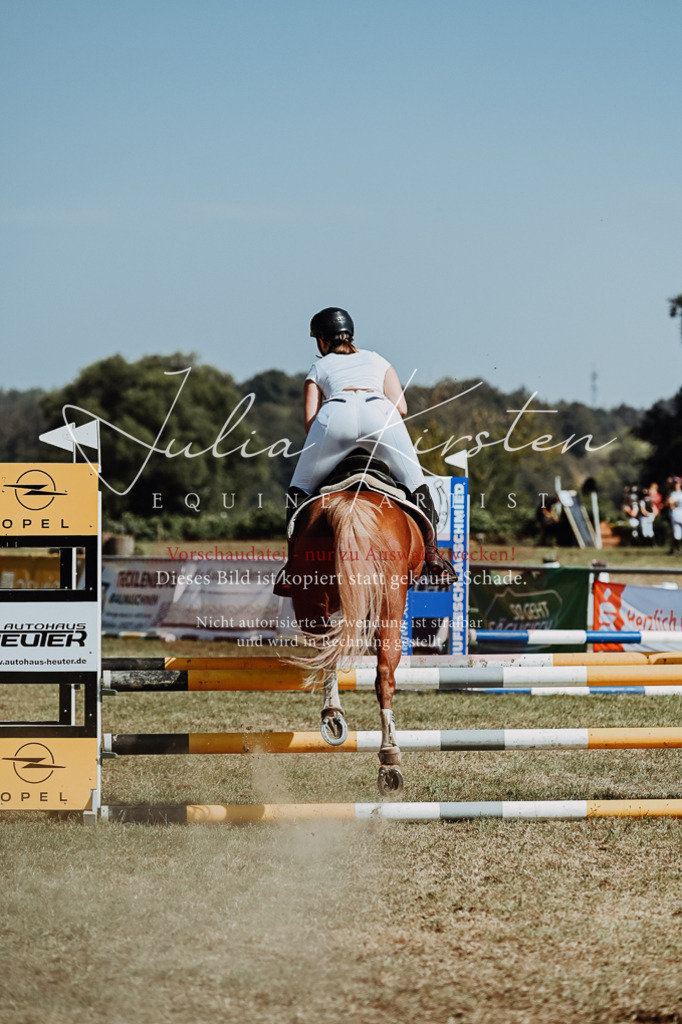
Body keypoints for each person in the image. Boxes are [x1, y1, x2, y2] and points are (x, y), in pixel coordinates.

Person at [274, 307, 457, 594]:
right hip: (381, 415)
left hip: (335, 417)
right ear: (350, 335)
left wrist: (334, 444)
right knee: (416, 483)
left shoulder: (319, 368)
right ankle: (434, 558)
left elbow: (310, 422)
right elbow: (402, 408)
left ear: (322, 341)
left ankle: (293, 566)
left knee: (299, 490)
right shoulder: (378, 360)